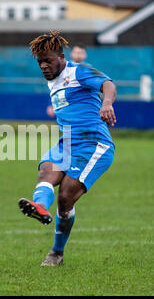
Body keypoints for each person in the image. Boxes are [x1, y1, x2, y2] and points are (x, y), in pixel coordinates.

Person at [18, 30, 117, 266]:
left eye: (48, 61)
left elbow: (108, 84)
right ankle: (39, 206)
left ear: (61, 57)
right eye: (40, 62)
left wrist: (106, 103)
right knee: (46, 171)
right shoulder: (52, 80)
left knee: (65, 198)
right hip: (68, 142)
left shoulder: (78, 71)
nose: (43, 66)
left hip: (94, 145)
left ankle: (56, 253)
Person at [46, 43, 88, 118]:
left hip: (83, 107)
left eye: (81, 53)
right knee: (67, 127)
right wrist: (51, 105)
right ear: (72, 54)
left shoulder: (89, 70)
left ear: (85, 55)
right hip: (67, 107)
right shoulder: (63, 68)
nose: (78, 55)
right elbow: (56, 87)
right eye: (76, 52)